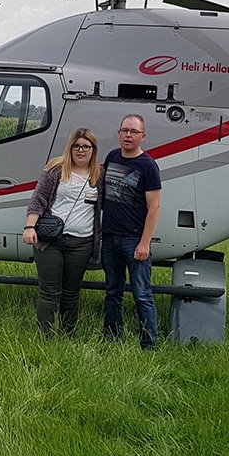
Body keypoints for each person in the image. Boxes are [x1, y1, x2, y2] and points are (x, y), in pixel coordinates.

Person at [22, 129, 102, 337]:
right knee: (49, 291)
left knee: (71, 292)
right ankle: (45, 336)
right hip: (51, 240)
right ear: (71, 147)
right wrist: (30, 227)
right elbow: (38, 200)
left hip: (81, 243)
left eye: (86, 146)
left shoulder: (99, 177)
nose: (81, 150)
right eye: (77, 146)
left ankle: (68, 334)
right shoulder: (56, 169)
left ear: (93, 150)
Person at [100, 113, 162, 350]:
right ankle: (113, 338)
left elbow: (154, 206)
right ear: (118, 133)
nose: (128, 135)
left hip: (134, 239)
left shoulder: (148, 166)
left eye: (134, 132)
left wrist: (144, 243)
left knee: (142, 294)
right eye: (125, 130)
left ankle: (149, 344)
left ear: (142, 136)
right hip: (110, 237)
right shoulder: (112, 157)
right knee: (113, 291)